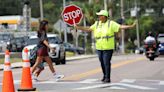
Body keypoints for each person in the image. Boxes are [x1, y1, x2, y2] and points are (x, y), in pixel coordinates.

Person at [75, 10, 136, 83]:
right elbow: (88, 29)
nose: (99, 17)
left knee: (106, 62)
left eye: (100, 15)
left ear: (104, 16)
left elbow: (120, 27)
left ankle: (107, 78)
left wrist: (131, 26)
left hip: (108, 47)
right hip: (99, 47)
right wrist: (78, 27)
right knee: (102, 62)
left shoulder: (111, 23)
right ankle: (104, 75)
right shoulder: (97, 24)